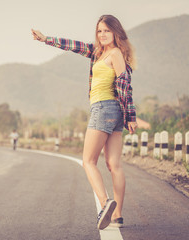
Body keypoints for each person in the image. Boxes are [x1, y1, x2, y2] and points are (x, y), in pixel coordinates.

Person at [32, 14, 137, 230]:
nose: (102, 34)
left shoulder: (115, 54)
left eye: (107, 30)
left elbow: (125, 86)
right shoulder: (99, 52)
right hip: (114, 111)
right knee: (113, 165)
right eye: (99, 31)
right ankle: (117, 216)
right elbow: (74, 46)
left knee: (88, 161)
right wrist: (46, 39)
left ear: (116, 32)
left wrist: (132, 117)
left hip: (103, 107)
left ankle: (105, 203)